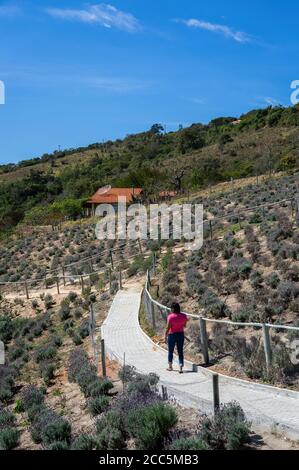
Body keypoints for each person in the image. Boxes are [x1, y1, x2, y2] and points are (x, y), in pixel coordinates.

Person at [165, 302, 188, 374]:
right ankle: (181, 367)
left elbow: (168, 328)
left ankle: (170, 366)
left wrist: (165, 335)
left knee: (170, 351)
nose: (170, 310)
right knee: (180, 351)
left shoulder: (170, 317)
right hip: (181, 334)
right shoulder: (184, 316)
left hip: (172, 335)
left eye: (171, 308)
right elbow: (184, 325)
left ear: (173, 309)